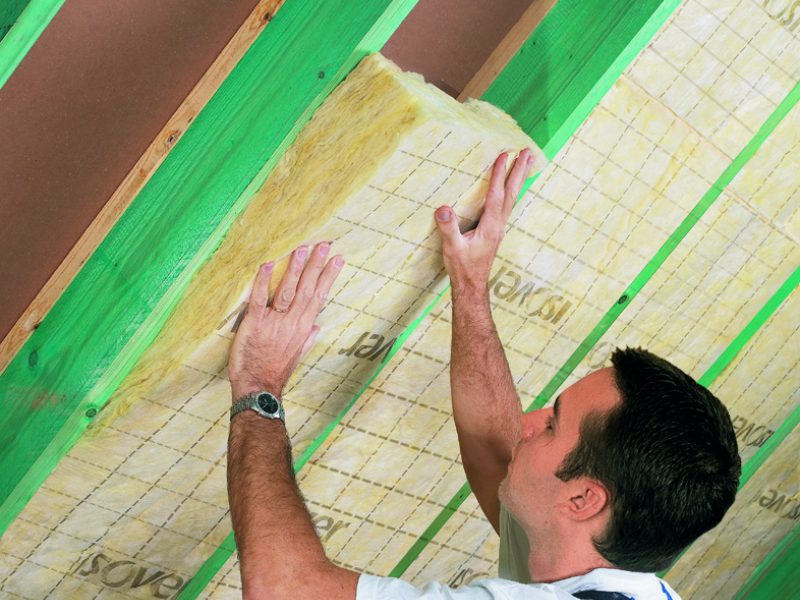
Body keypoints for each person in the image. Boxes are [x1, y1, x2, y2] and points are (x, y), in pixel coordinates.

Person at [226, 148, 741, 599]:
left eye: (552, 425)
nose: (526, 422)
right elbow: (498, 452)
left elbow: (287, 592)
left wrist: (259, 386)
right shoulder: (610, 568)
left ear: (584, 499)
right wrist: (470, 284)